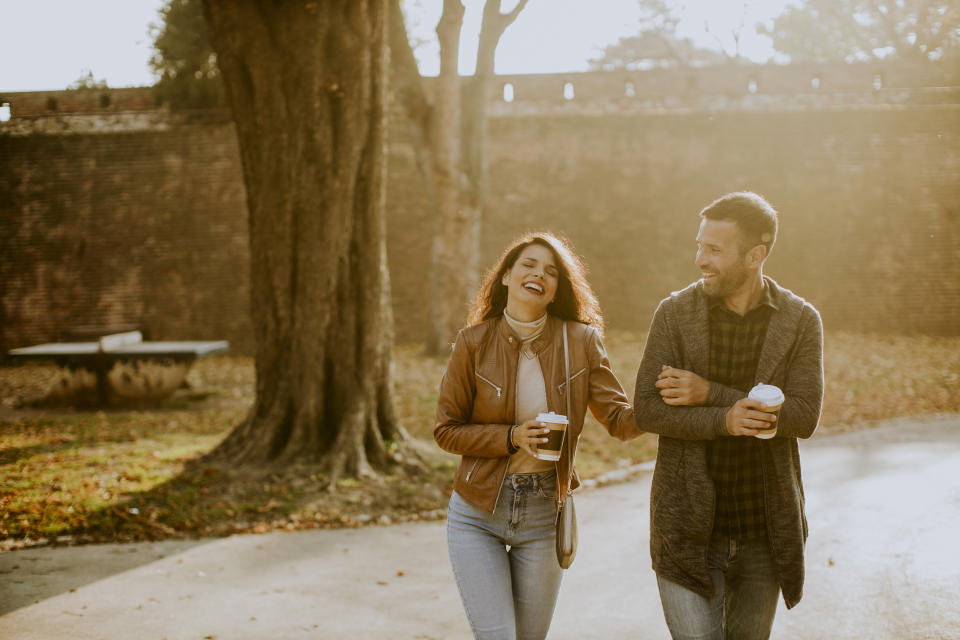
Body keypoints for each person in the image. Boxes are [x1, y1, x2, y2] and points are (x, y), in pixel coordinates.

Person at [633, 192, 824, 640]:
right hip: (686, 530)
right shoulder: (675, 314)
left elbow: (803, 414)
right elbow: (646, 408)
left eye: (714, 250)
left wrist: (708, 394)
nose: (700, 259)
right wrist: (724, 419)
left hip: (764, 534)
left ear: (755, 255)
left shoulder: (800, 320)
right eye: (699, 246)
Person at [434, 231, 641, 640]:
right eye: (529, 265)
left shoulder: (580, 341)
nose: (539, 275)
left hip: (545, 514)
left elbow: (619, 420)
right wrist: (511, 437)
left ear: (555, 291)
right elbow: (446, 431)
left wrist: (665, 400)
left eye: (551, 272)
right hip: (477, 513)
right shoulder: (473, 342)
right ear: (507, 276)